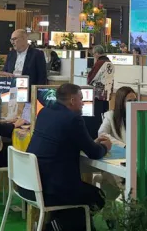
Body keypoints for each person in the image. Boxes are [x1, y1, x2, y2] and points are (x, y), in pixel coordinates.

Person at [25, 84, 110, 229]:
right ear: (72, 100)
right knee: (97, 197)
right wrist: (105, 146)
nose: (83, 103)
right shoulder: (73, 119)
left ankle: (55, 226)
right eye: (81, 99)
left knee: (78, 203)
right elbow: (94, 153)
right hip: (53, 190)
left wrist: (90, 143)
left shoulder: (44, 112)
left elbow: (63, 141)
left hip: (31, 185)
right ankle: (55, 227)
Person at [87, 45, 114, 121]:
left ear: (97, 53)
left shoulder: (100, 63)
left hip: (99, 93)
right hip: (107, 91)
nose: (94, 56)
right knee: (105, 111)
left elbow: (92, 77)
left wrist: (89, 80)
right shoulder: (110, 63)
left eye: (93, 54)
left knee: (97, 113)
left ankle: (98, 127)